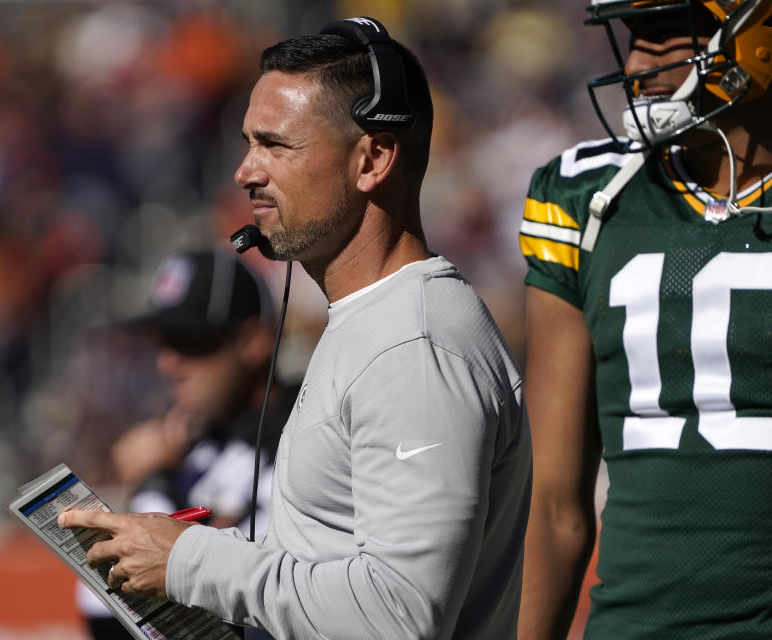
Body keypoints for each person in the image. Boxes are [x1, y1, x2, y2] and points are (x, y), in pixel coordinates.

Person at [61, 16, 531, 640]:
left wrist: (189, 560)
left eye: (275, 145)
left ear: (374, 159)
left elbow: (400, 615)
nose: (245, 172)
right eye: (248, 143)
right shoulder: (373, 321)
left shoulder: (414, 349)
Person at [518, 1, 772, 638]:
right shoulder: (590, 195)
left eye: (667, 37)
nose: (639, 63)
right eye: (636, 38)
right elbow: (553, 505)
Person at [78, 248, 294, 640]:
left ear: (253, 341)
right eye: (162, 343)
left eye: (191, 341)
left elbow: (233, 608)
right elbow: (101, 612)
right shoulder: (189, 447)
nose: (168, 364)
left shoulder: (303, 435)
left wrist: (151, 484)